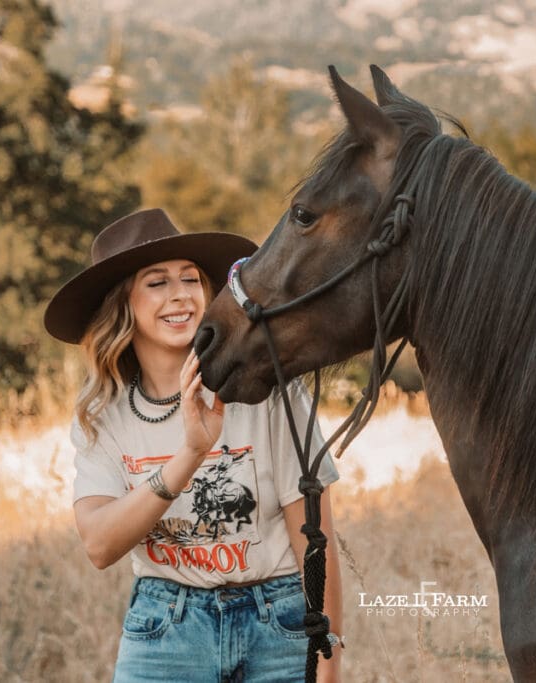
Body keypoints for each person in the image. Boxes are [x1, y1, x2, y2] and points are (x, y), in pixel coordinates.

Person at [44, 209, 343, 682]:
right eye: (157, 282)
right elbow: (99, 545)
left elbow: (315, 538)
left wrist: (328, 659)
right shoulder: (104, 415)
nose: (181, 294)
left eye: (190, 279)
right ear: (122, 306)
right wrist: (190, 454)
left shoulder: (266, 391)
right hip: (166, 630)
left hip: (279, 623)